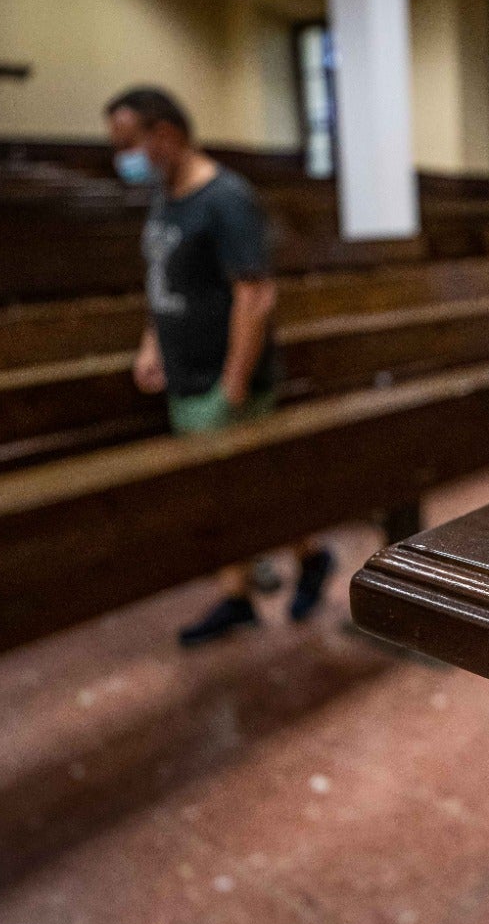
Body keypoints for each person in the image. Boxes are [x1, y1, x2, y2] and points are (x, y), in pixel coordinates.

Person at [105, 86, 332, 646]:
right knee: (230, 492)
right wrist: (151, 345)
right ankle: (247, 592)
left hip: (223, 378)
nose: (123, 158)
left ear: (167, 135)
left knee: (241, 493)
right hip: (184, 371)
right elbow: (167, 282)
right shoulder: (166, 197)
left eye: (129, 144)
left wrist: (231, 386)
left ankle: (297, 564)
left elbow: (255, 297)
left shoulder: (226, 198)